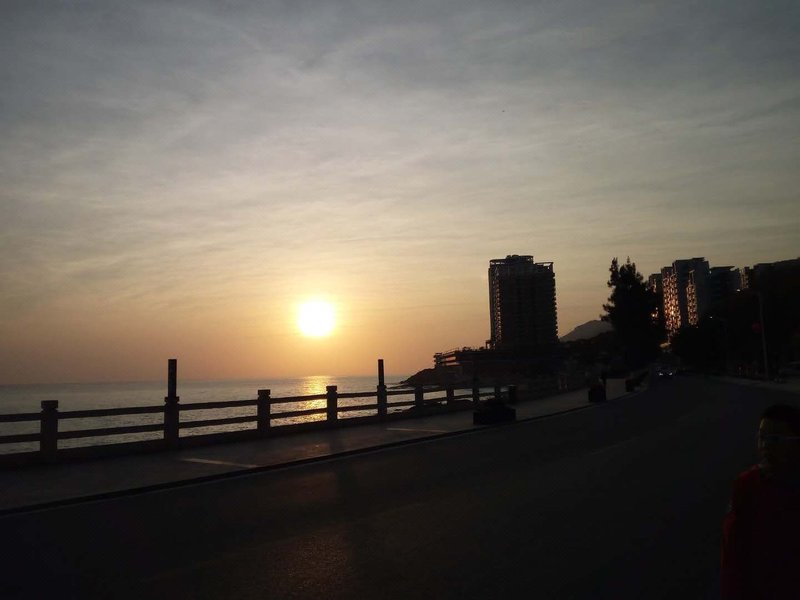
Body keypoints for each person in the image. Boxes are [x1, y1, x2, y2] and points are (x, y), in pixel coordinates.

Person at [721, 404, 800, 599]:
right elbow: (733, 552)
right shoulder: (746, 485)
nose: (765, 446)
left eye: (775, 439)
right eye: (762, 437)